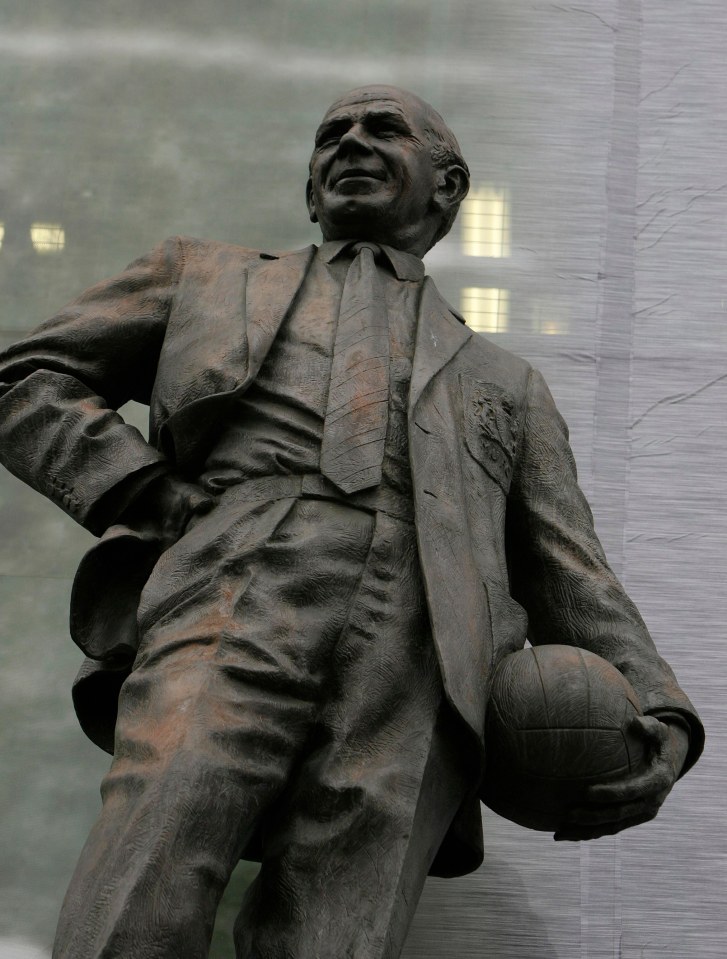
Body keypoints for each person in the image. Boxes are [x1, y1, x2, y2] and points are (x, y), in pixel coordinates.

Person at [0, 86, 704, 959]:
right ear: (309, 192)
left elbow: (571, 567)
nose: (352, 144)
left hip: (426, 649)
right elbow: (24, 380)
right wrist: (141, 491)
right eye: (331, 135)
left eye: (384, 129)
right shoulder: (203, 276)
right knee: (154, 846)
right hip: (237, 583)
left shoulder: (506, 382)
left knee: (340, 927)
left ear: (447, 188)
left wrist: (663, 708)